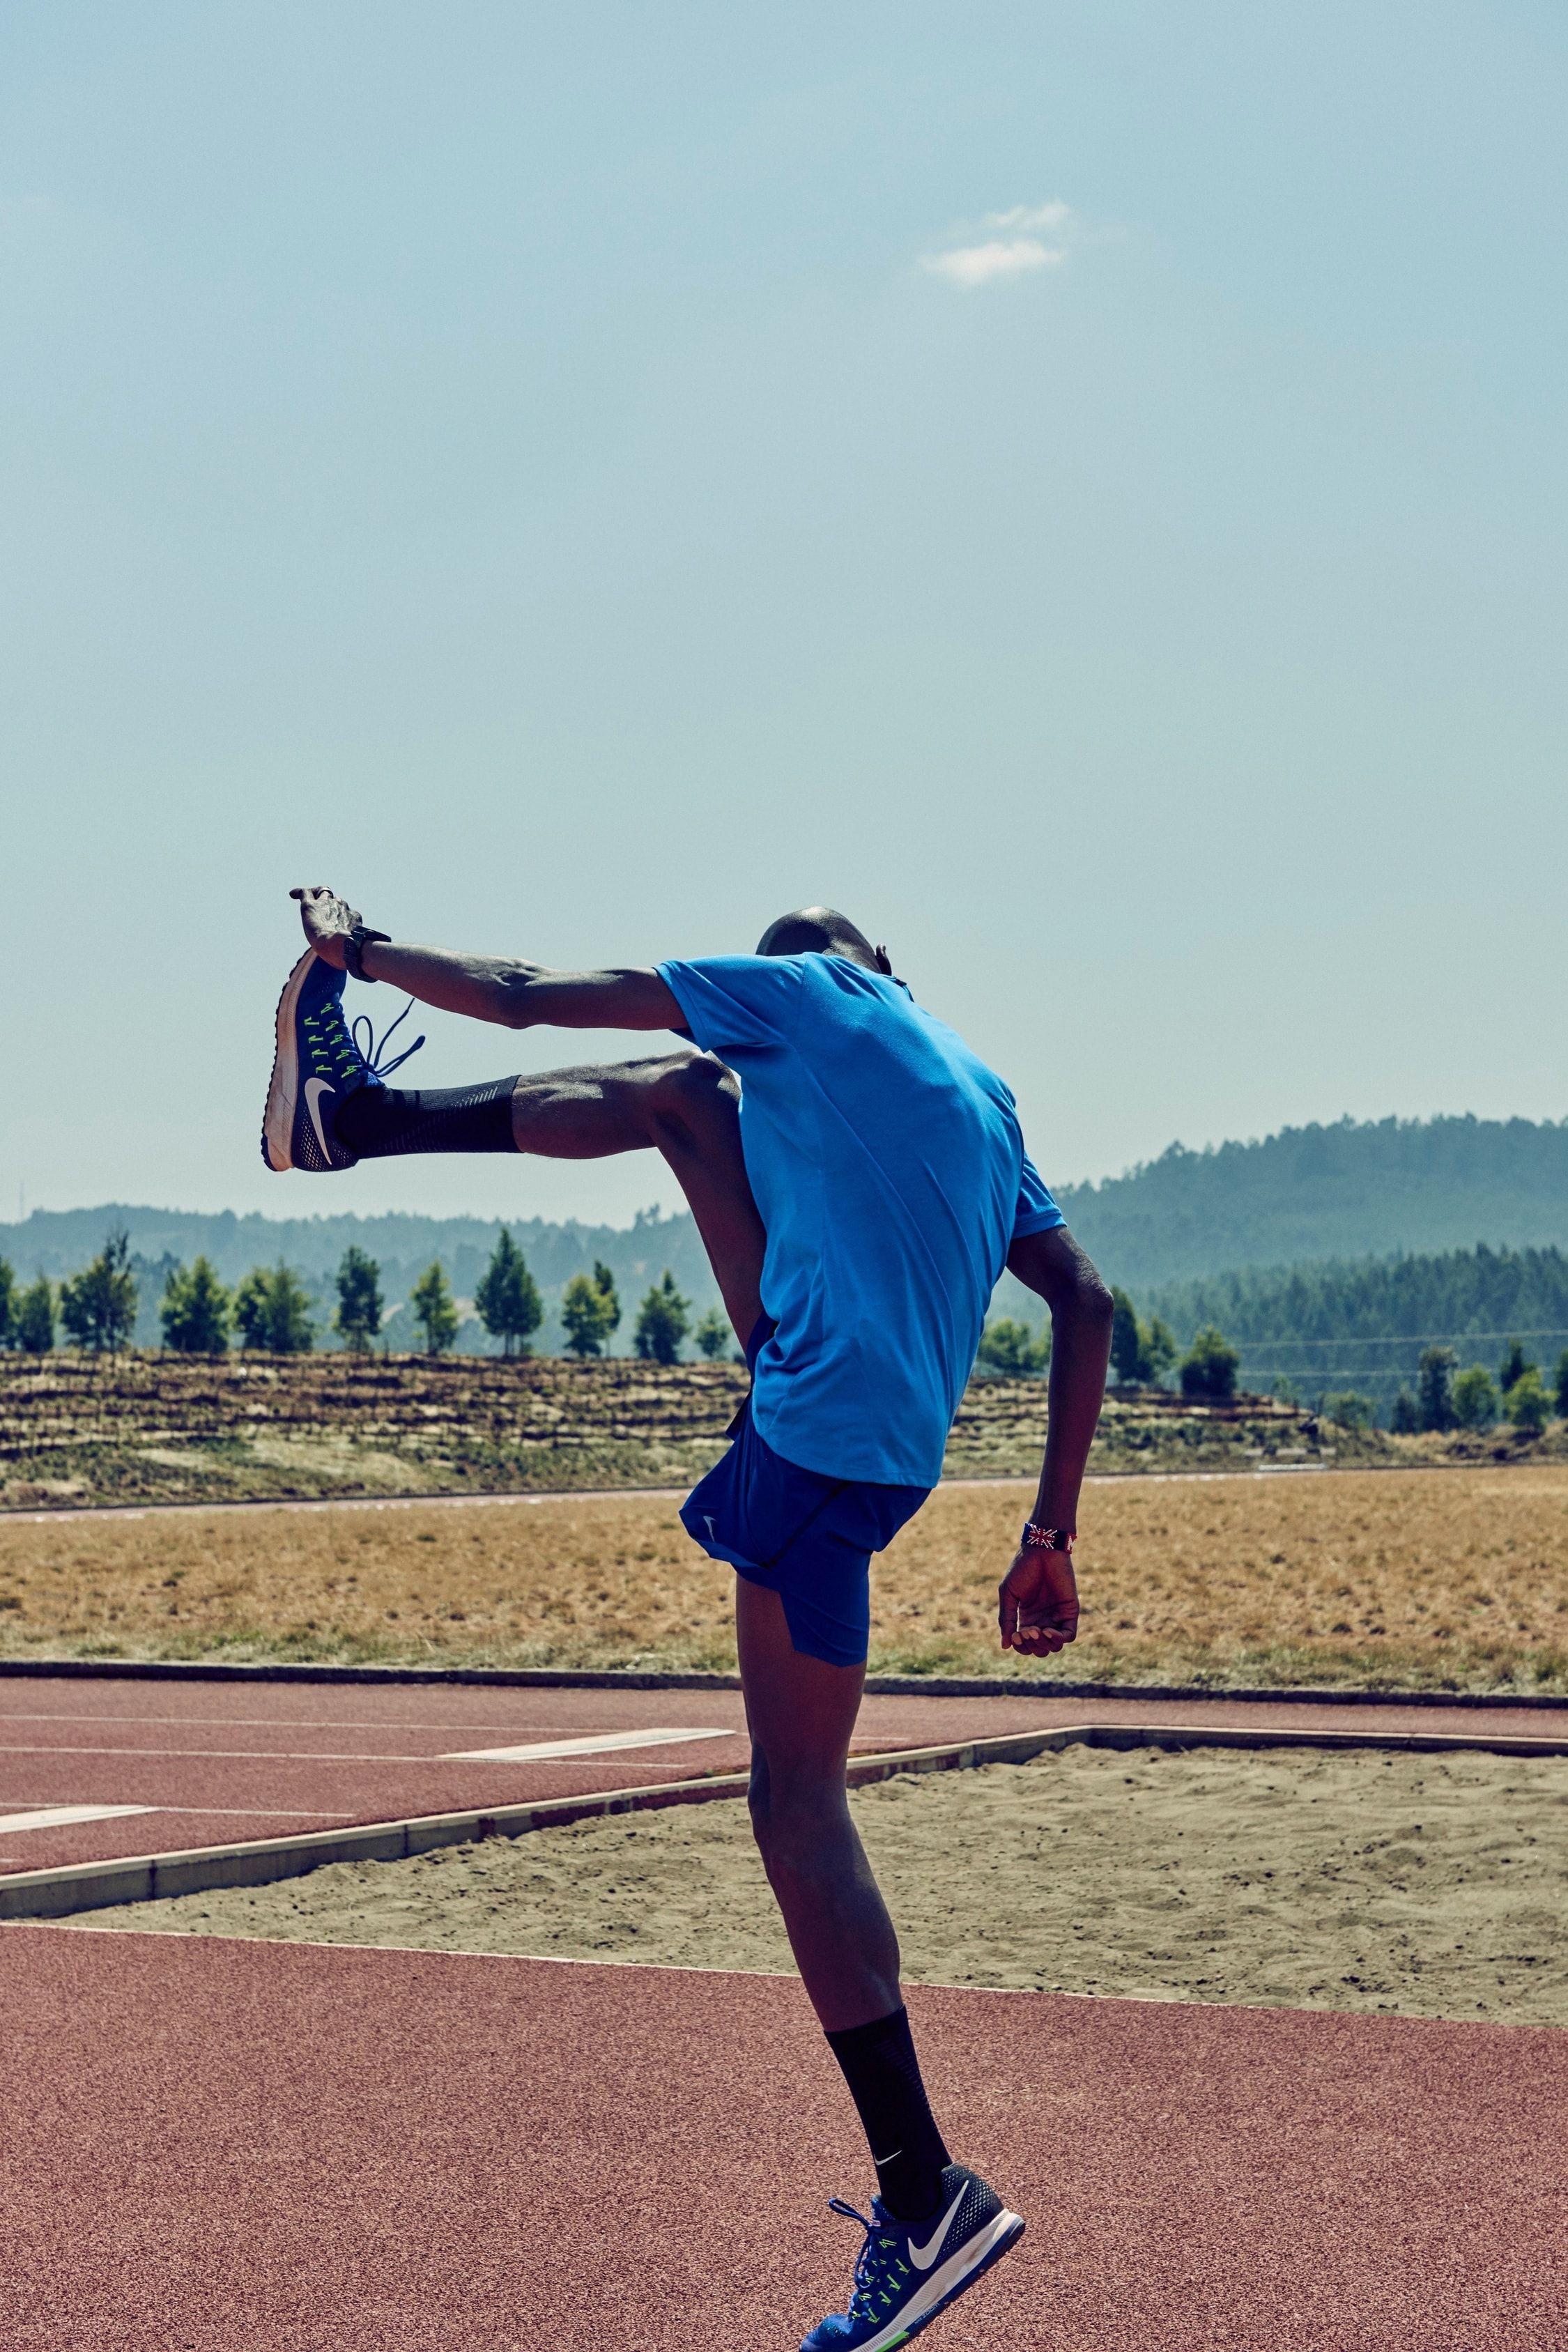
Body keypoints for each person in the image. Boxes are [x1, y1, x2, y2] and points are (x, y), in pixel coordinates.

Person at [266, 889, 1114, 2352]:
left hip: (810, 1429)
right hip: (881, 1453)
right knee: (679, 1092)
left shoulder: (796, 997)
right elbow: (1087, 1300)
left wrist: (362, 946)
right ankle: (357, 1121)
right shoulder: (979, 1084)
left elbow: (531, 989)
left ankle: (927, 2193)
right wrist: (1047, 1535)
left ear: (807, 974)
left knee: (791, 1804)